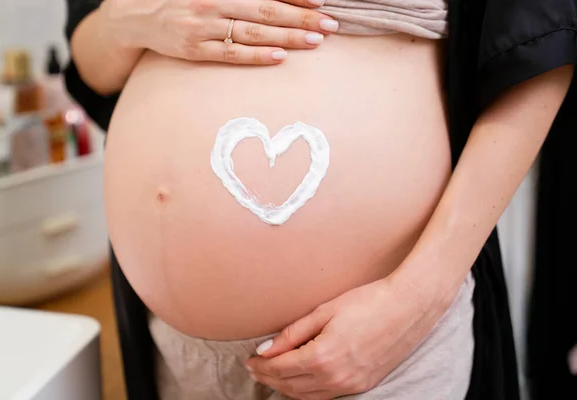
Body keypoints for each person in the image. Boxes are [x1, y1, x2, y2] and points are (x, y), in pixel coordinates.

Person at [63, 0, 576, 399]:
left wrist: (418, 298)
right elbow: (88, 57)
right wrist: (129, 19)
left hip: (384, 338)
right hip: (177, 348)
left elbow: (546, 42)